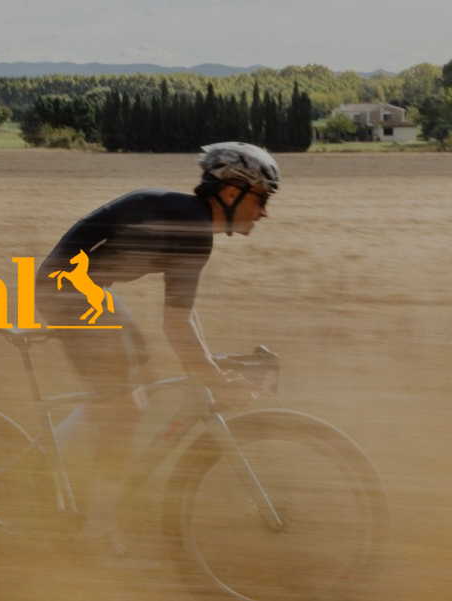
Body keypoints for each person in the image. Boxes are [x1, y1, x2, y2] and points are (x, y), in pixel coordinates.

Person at [34, 141, 278, 550]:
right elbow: (177, 324)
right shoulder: (191, 227)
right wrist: (213, 376)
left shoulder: (193, 222)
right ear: (232, 193)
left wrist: (209, 366)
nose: (266, 211)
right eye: (262, 198)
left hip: (87, 291)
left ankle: (48, 462)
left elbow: (184, 314)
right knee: (125, 406)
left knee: (137, 380)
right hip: (65, 292)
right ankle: (97, 531)